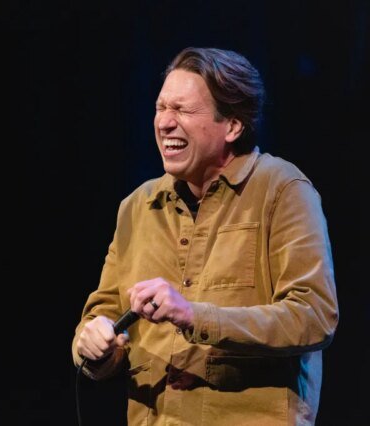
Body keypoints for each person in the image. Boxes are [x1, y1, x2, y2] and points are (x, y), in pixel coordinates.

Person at [72, 47, 338, 425]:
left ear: (232, 126)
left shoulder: (282, 190)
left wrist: (192, 314)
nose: (165, 122)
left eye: (182, 110)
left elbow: (313, 315)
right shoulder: (137, 207)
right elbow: (104, 314)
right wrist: (92, 342)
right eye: (161, 107)